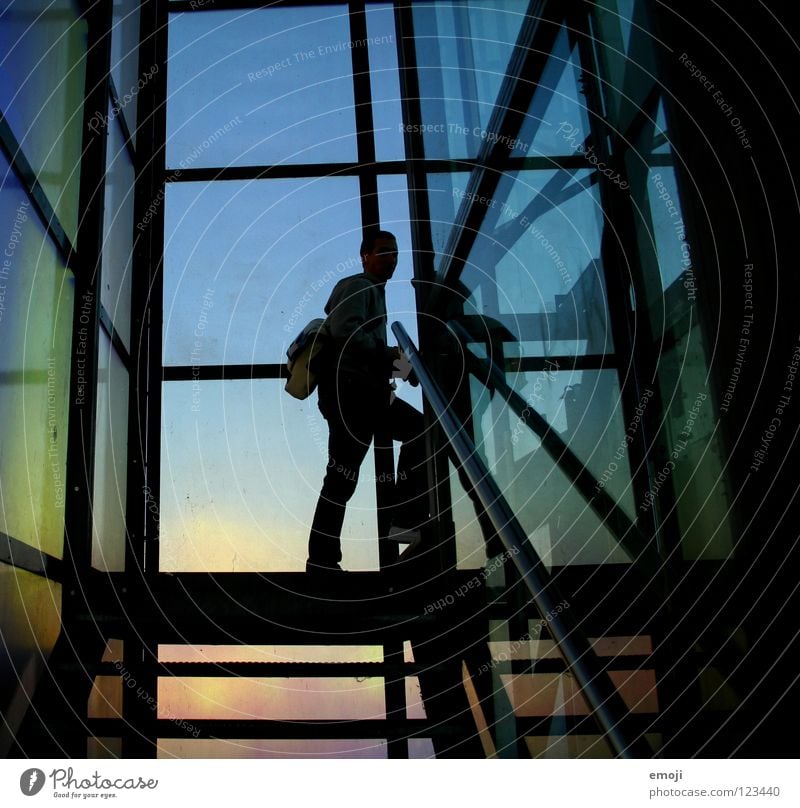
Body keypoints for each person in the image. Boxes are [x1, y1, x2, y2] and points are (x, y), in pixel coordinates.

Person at [306, 230, 428, 573]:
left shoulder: (371, 292)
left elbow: (362, 346)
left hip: (357, 393)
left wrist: (403, 368)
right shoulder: (360, 287)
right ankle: (405, 517)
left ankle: (322, 560)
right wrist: (396, 357)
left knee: (341, 477)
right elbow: (348, 336)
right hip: (355, 393)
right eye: (384, 252)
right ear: (365, 256)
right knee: (419, 429)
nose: (392, 258)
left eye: (395, 253)